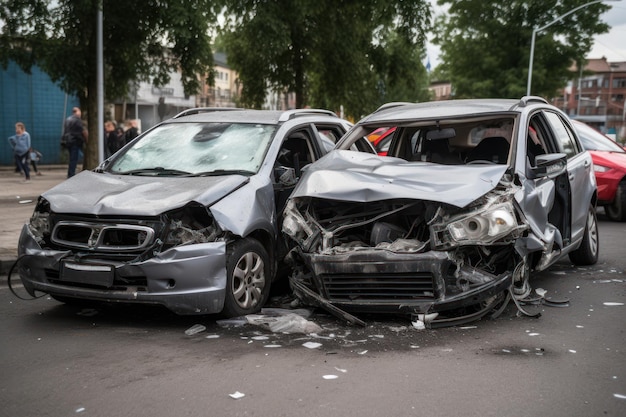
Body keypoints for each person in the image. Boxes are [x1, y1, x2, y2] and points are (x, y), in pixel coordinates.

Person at [62, 107, 87, 178]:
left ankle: (70, 172)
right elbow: (82, 131)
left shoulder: (68, 119)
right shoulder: (77, 120)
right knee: (74, 158)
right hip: (75, 141)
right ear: (77, 112)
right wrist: (86, 140)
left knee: (71, 158)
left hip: (68, 141)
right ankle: (71, 173)